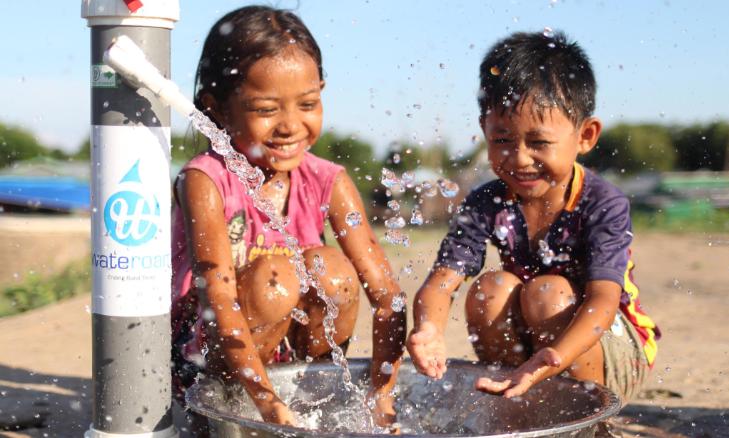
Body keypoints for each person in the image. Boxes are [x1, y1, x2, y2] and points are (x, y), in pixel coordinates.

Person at [170, 6, 405, 429]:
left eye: (308, 104)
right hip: (209, 367)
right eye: (265, 109)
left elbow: (387, 296)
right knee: (274, 280)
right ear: (218, 109)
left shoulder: (328, 180)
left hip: (289, 367)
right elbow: (219, 300)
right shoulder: (206, 180)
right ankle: (244, 415)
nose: (290, 126)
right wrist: (268, 407)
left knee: (331, 272)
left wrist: (381, 397)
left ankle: (313, 401)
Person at [407, 31, 660, 405]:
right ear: (484, 130)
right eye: (503, 140)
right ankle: (517, 406)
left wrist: (556, 356)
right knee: (489, 290)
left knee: (548, 293)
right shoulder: (487, 201)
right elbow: (443, 280)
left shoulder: (602, 203)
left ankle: (589, 419)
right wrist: (428, 328)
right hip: (538, 342)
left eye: (539, 143)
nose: (520, 159)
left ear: (585, 135)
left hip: (608, 347)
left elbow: (604, 301)